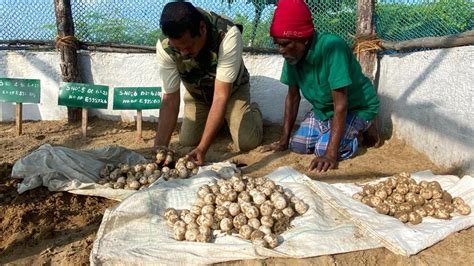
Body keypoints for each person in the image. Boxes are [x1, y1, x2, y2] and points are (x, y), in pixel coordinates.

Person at [263, 0, 380, 172]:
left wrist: (331, 154)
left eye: (285, 43)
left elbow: (341, 104)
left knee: (322, 150)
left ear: (303, 39)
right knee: (298, 145)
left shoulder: (333, 47)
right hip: (324, 110)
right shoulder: (292, 57)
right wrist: (283, 141)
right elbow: (293, 97)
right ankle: (329, 127)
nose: (281, 50)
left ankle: (366, 125)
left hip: (355, 108)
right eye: (277, 44)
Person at [154, 1, 263, 165]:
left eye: (189, 46)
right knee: (188, 141)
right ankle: (220, 123)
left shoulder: (227, 34)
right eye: (178, 49)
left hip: (231, 93)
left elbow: (221, 96)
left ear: (202, 29)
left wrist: (202, 149)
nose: (183, 53)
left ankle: (253, 111)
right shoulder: (165, 47)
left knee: (247, 142)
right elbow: (170, 98)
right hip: (198, 95)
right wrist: (160, 145)